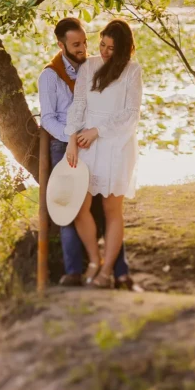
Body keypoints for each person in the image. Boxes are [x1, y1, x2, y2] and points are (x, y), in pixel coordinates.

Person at [38, 18, 133, 289]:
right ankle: (74, 270)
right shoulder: (50, 75)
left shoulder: (100, 65)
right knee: (69, 204)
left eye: (85, 42)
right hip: (64, 143)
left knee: (108, 209)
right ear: (62, 45)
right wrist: (71, 139)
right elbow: (48, 118)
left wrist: (89, 133)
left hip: (99, 142)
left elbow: (125, 111)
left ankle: (117, 270)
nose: (84, 48)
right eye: (76, 45)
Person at [65, 19, 143, 289]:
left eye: (112, 47)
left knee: (112, 210)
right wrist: (71, 139)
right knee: (79, 207)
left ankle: (107, 271)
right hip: (86, 144)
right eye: (102, 45)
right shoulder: (89, 66)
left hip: (116, 144)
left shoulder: (132, 71)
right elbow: (79, 103)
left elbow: (131, 114)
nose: (105, 51)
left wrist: (98, 130)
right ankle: (95, 260)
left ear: (124, 48)